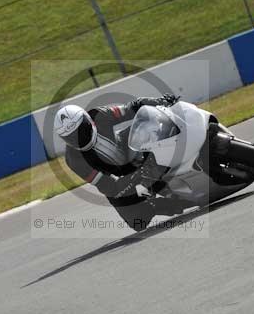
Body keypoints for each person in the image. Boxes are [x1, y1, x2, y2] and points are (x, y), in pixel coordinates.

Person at [54, 94, 194, 231]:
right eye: (71, 138)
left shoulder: (99, 114)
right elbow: (108, 187)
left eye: (81, 131)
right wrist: (137, 176)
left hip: (129, 148)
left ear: (89, 120)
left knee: (147, 123)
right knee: (138, 222)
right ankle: (162, 203)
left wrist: (159, 101)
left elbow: (131, 108)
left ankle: (186, 145)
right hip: (119, 178)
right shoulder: (74, 160)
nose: (79, 139)